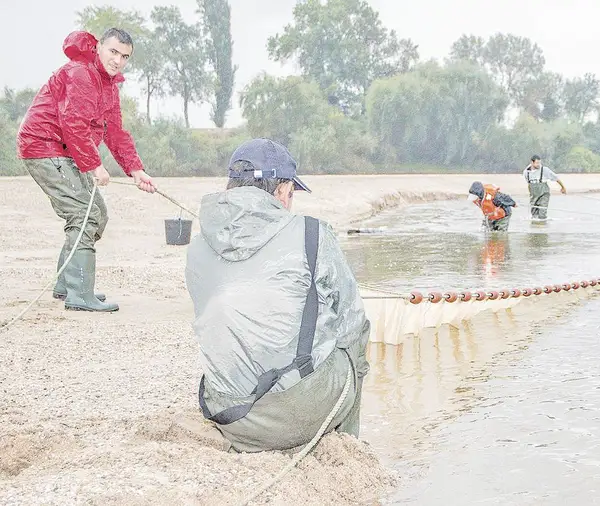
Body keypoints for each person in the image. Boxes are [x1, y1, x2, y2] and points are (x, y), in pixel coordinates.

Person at [185, 138, 371, 453]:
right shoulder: (313, 233)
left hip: (228, 415)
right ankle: (348, 448)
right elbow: (352, 321)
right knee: (353, 349)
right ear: (282, 191)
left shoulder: (197, 247)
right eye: (292, 193)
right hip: (294, 415)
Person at [17, 28, 157, 312]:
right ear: (99, 47)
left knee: (98, 215)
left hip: (65, 151)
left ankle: (66, 284)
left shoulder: (109, 86)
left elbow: (115, 132)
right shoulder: (81, 74)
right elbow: (74, 125)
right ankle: (79, 294)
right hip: (44, 146)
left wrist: (136, 170)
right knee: (83, 214)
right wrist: (94, 165)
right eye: (113, 52)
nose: (118, 60)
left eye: (125, 56)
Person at [523, 155, 566, 221]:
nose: (538, 165)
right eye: (537, 163)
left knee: (542, 215)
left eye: (539, 163)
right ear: (532, 162)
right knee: (534, 216)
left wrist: (563, 187)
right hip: (533, 196)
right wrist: (530, 195)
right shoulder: (526, 172)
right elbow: (529, 184)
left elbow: (556, 178)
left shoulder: (544, 170)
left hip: (544, 194)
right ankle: (535, 230)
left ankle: (542, 228)